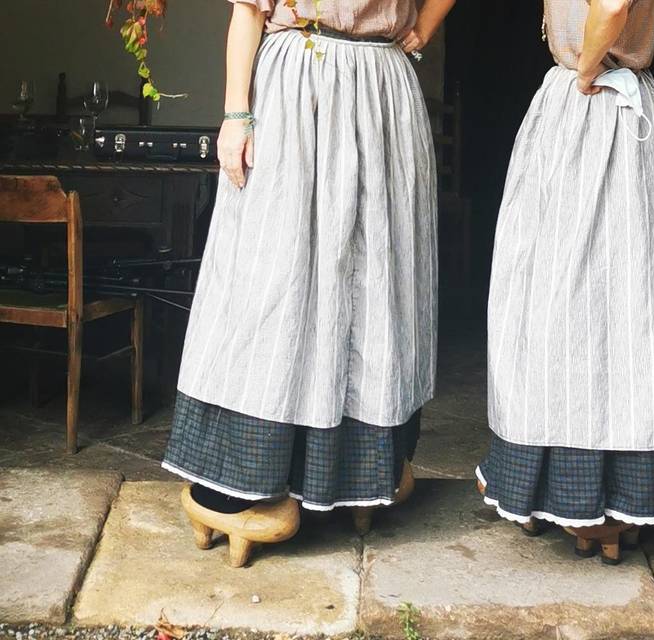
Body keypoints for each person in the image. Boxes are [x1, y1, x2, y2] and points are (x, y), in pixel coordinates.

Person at [162, 0, 455, 568]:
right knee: (278, 274)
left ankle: (338, 476)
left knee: (369, 279)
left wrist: (421, 28)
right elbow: (250, 10)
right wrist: (237, 115)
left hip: (367, 86)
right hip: (308, 90)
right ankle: (264, 473)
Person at [476, 0, 654, 565]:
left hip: (596, 105)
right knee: (613, 303)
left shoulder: (587, 84)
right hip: (597, 103)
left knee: (579, 303)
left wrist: (583, 72)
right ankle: (599, 498)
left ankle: (595, 503)